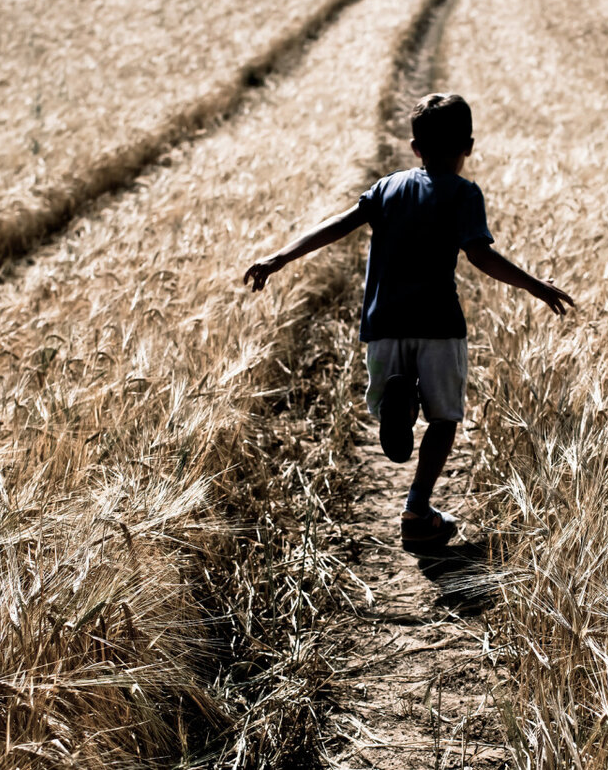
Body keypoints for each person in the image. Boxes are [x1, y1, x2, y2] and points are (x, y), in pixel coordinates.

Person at [243, 93, 573, 556]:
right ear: (469, 146)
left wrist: (280, 256)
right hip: (439, 323)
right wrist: (535, 285)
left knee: (385, 401)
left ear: (415, 147)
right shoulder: (464, 193)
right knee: (444, 419)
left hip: (385, 323)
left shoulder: (387, 188)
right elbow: (479, 255)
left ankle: (394, 405)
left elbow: (338, 225)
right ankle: (418, 509)